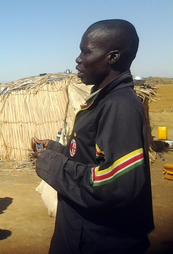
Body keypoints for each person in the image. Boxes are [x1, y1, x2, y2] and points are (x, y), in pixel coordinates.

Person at [32, 19, 154, 254]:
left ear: (113, 57)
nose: (78, 59)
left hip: (98, 240)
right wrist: (57, 150)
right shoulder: (102, 101)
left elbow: (117, 183)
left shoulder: (119, 107)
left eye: (86, 51)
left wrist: (52, 164)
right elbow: (91, 157)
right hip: (80, 231)